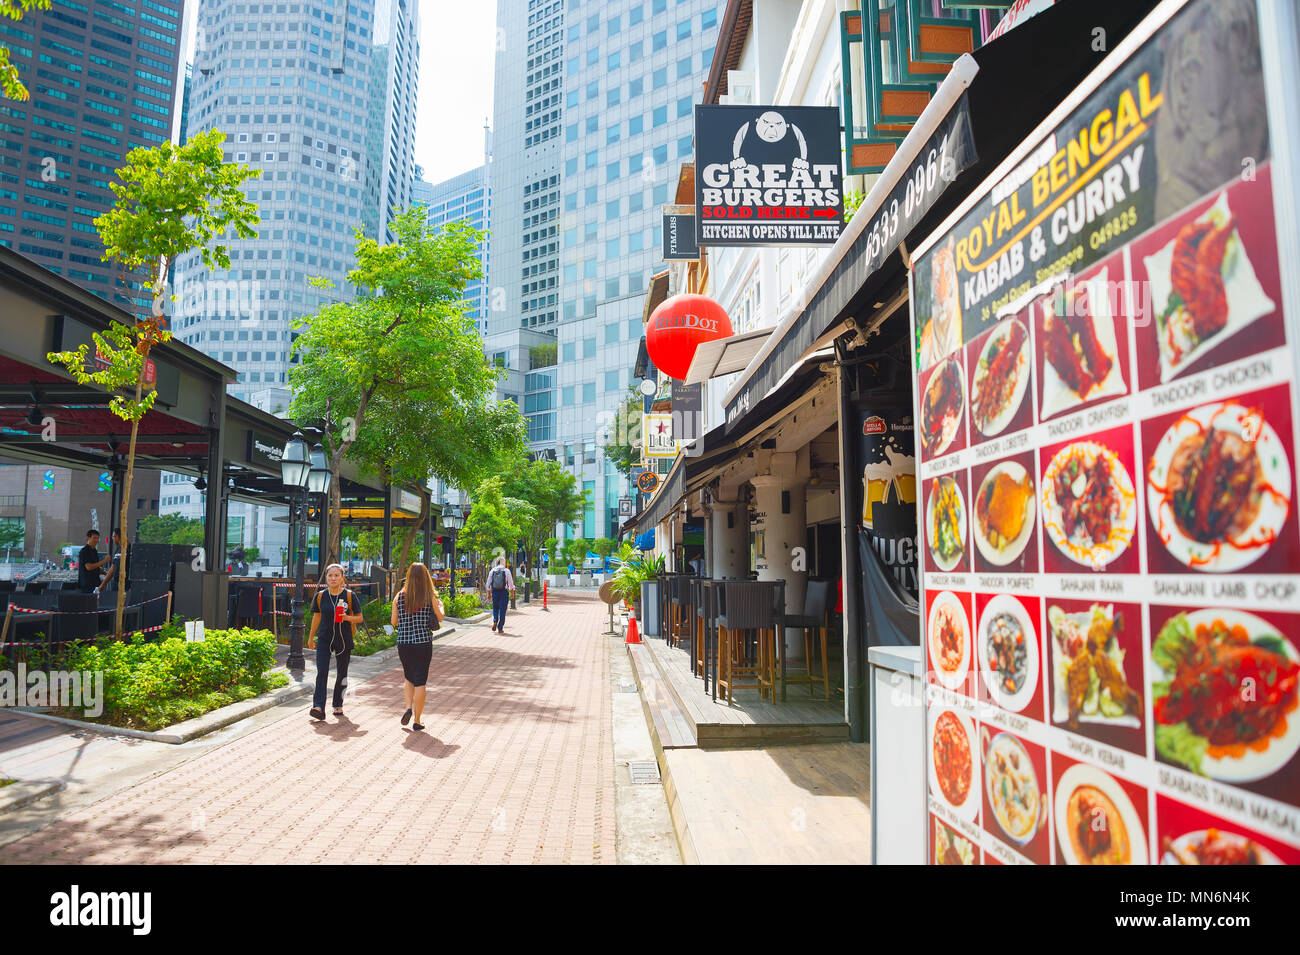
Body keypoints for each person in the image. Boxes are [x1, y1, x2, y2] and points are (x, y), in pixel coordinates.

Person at [391, 562, 444, 731]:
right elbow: (440, 618)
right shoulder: (429, 596)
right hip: (423, 642)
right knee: (420, 680)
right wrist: (441, 607)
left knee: (408, 677)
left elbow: (393, 622)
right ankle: (417, 720)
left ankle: (407, 707)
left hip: (404, 643)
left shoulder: (399, 596)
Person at [307, 563, 364, 721]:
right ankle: (318, 706)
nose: (333, 578)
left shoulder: (350, 596)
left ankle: (338, 703)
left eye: (336, 575)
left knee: (342, 673)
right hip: (324, 639)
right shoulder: (320, 596)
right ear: (326, 578)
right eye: (330, 575)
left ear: (342, 578)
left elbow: (359, 618)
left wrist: (346, 617)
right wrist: (311, 637)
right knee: (322, 671)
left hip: (343, 639)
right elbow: (316, 617)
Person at [487, 555, 515, 633]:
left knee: (495, 607)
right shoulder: (506, 571)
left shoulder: (492, 571)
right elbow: (511, 584)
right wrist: (512, 593)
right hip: (503, 592)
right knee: (503, 610)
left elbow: (488, 584)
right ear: (502, 562)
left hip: (495, 592)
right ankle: (500, 627)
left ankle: (495, 620)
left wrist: (489, 593)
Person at [77, 529, 109, 594]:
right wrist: (104, 561)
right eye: (94, 538)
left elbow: (95, 566)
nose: (96, 540)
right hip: (87, 585)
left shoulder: (94, 551)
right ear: (88, 538)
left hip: (95, 583)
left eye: (97, 538)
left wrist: (106, 573)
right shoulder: (84, 551)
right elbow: (89, 567)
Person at [95, 530, 126, 595]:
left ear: (117, 537)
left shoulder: (127, 549)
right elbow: (113, 567)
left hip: (123, 583)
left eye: (113, 537)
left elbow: (112, 568)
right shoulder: (118, 549)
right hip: (116, 582)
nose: (113, 539)